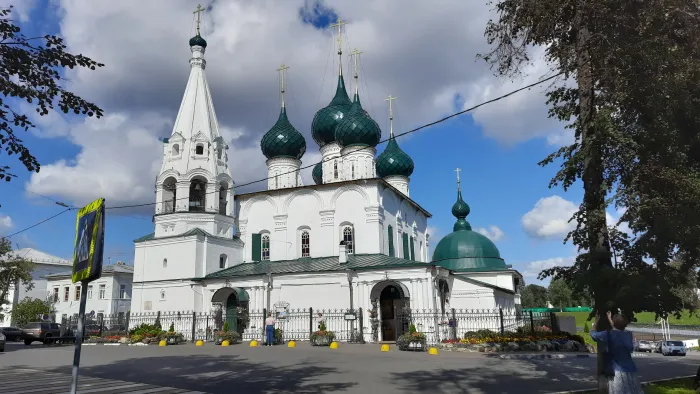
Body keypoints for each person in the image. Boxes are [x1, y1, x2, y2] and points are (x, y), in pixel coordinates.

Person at [590, 311, 643, 394]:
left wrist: (595, 323)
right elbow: (619, 330)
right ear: (625, 324)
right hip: (630, 370)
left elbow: (593, 334)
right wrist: (612, 321)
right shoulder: (629, 335)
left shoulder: (608, 334)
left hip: (616, 371)